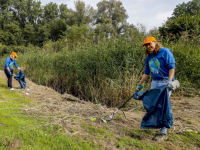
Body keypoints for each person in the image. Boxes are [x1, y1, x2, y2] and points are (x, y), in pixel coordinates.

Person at [136, 36, 175, 141]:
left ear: (155, 42)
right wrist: (139, 85)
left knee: (163, 106)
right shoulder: (149, 57)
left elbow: (172, 67)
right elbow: (146, 72)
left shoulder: (165, 52)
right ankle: (155, 125)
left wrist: (170, 81)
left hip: (165, 82)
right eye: (146, 45)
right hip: (155, 82)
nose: (148, 46)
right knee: (154, 105)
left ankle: (163, 133)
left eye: (150, 44)